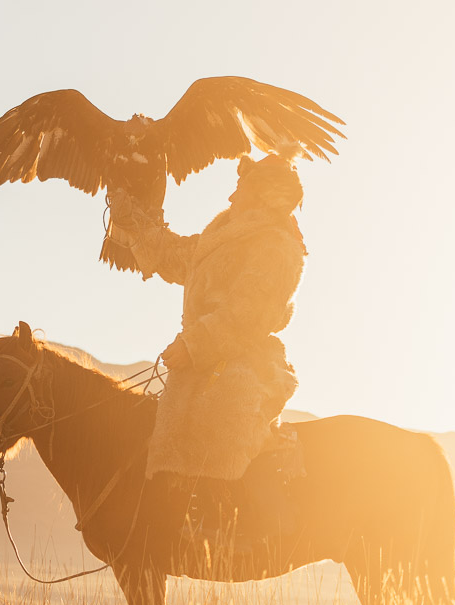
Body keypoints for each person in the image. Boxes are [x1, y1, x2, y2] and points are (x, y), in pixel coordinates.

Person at [106, 152, 307, 558]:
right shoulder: (224, 235)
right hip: (205, 356)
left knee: (221, 409)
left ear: (263, 198)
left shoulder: (276, 247)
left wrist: (193, 344)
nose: (232, 194)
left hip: (246, 358)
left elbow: (246, 313)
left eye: (242, 187)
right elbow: (178, 255)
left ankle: (237, 525)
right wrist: (133, 217)